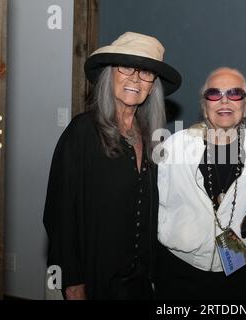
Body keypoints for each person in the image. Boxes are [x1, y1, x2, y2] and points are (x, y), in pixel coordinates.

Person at [43, 32, 181, 299]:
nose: (135, 79)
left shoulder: (154, 139)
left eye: (146, 73)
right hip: (95, 280)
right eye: (126, 67)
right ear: (109, 75)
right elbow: (59, 214)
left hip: (140, 283)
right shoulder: (82, 131)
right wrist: (72, 281)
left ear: (153, 87)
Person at [155, 67, 246, 299]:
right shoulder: (175, 146)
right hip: (180, 268)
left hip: (238, 268)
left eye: (234, 94)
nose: (224, 101)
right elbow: (157, 202)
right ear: (204, 105)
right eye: (214, 94)